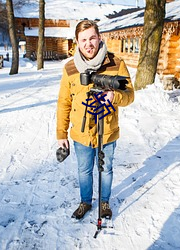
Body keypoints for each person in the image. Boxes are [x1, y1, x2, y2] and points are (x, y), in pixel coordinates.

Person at [56, 20, 134, 220]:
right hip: (81, 133)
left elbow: (130, 95)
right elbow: (64, 102)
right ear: (77, 42)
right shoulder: (70, 68)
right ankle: (85, 202)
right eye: (83, 40)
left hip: (107, 131)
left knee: (106, 168)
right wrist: (61, 134)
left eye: (92, 38)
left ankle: (105, 202)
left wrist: (114, 96)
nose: (88, 43)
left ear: (99, 38)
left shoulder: (116, 63)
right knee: (84, 170)